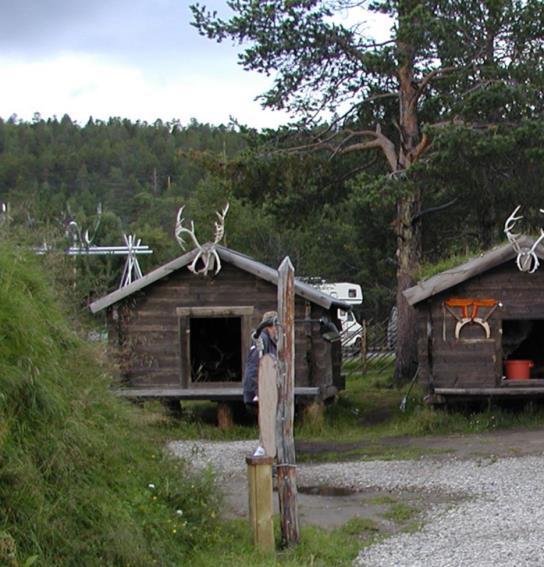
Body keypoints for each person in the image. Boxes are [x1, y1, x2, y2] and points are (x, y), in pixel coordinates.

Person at [243, 310, 277, 414]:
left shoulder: (271, 341)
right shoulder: (261, 340)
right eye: (277, 326)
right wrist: (256, 393)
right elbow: (254, 366)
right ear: (270, 326)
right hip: (258, 395)